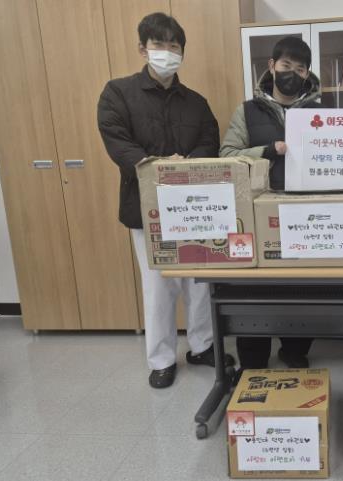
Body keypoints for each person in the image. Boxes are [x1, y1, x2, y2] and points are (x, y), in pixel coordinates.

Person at [97, 12, 232, 389]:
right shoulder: (117, 93)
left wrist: (185, 167)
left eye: (174, 46)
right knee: (158, 285)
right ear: (143, 48)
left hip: (195, 208)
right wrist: (159, 167)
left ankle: (203, 345)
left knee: (199, 281)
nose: (167, 52)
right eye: (159, 44)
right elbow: (116, 139)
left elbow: (210, 140)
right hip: (146, 207)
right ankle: (161, 359)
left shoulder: (196, 101)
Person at [220, 36, 321, 370]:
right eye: (286, 65)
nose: (292, 73)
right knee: (255, 290)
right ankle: (253, 360)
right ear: (271, 66)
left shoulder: (321, 112)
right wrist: (267, 151)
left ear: (307, 74)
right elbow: (227, 155)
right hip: (259, 213)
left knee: (302, 289)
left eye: (300, 69)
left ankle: (295, 350)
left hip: (308, 212)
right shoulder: (247, 111)